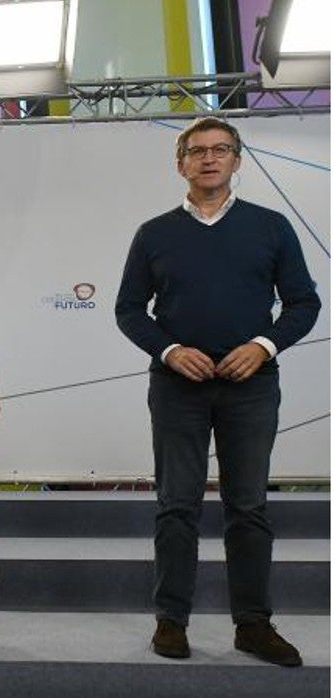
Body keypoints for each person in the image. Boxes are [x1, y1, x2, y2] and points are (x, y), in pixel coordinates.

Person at [115, 116, 319, 667]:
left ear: (237, 159)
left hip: (252, 389)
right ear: (180, 162)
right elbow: (129, 310)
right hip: (177, 390)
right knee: (176, 506)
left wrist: (265, 345)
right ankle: (171, 621)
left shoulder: (271, 226)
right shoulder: (154, 233)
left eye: (220, 149)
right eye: (197, 150)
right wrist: (169, 351)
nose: (209, 159)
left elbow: (304, 304)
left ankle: (253, 625)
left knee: (248, 507)